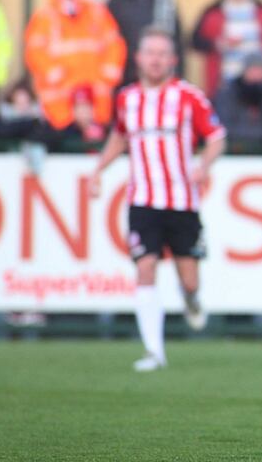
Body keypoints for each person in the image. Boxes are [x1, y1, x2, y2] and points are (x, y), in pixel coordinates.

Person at [89, 27, 226, 372]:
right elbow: (120, 137)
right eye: (150, 52)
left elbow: (216, 137)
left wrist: (204, 164)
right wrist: (98, 170)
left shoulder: (187, 96)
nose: (155, 59)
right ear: (138, 57)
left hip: (182, 201)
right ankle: (154, 352)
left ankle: (192, 301)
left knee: (189, 278)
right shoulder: (127, 99)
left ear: (172, 60)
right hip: (143, 200)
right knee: (145, 266)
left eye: (162, 54)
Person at [25, 0, 126, 131]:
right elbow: (35, 51)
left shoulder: (96, 12)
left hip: (95, 95)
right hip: (60, 99)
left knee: (97, 138)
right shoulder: (44, 16)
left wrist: (110, 70)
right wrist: (51, 71)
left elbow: (114, 43)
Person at [191, 0, 262, 99]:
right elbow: (195, 41)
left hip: (256, 80)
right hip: (225, 80)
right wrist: (217, 44)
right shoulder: (213, 11)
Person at [107, 0, 185, 86]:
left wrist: (179, 74)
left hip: (158, 78)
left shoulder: (164, 2)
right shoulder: (117, 3)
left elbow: (177, 40)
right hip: (126, 76)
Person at [213, 50, 262, 154]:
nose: (257, 74)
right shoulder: (229, 93)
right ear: (245, 71)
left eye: (261, 70)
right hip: (236, 148)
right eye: (253, 69)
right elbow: (226, 126)